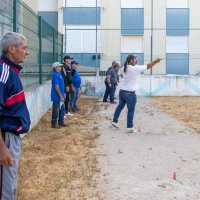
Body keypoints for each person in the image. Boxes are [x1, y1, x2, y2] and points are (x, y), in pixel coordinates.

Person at [0, 32, 31, 199]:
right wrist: (2, 148)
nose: (27, 52)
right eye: (24, 48)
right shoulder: (3, 74)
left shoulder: (10, 72)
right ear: (12, 49)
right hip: (5, 139)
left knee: (10, 186)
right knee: (6, 190)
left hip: (11, 138)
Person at [112, 54, 162, 133]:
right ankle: (130, 127)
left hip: (122, 91)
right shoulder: (135, 68)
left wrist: (127, 79)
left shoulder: (123, 68)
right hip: (130, 94)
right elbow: (148, 66)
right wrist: (156, 61)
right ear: (131, 60)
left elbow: (121, 74)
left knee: (120, 106)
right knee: (131, 110)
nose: (136, 60)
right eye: (135, 59)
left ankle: (114, 121)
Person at [51, 62, 66, 128]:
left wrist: (63, 94)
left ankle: (61, 122)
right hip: (57, 96)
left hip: (61, 95)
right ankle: (54, 124)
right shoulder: (55, 75)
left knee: (62, 109)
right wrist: (60, 95)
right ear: (56, 67)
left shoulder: (59, 74)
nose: (61, 67)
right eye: (59, 66)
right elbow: (56, 86)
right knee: (56, 110)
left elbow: (61, 85)